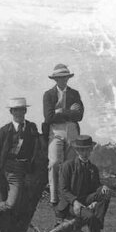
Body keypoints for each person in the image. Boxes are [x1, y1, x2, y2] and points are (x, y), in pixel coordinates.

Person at [0, 97, 41, 232]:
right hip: (8, 170)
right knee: (9, 205)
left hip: (25, 170)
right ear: (11, 112)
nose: (19, 113)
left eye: (22, 110)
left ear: (25, 111)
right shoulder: (5, 130)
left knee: (18, 208)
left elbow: (37, 146)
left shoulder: (31, 127)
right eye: (16, 110)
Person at [56, 135, 113, 232]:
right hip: (70, 204)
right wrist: (75, 202)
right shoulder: (67, 166)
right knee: (91, 218)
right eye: (82, 150)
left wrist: (102, 187)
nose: (85, 153)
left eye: (87, 150)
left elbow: (95, 187)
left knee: (105, 193)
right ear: (77, 151)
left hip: (86, 200)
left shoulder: (93, 168)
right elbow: (63, 190)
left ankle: (93, 231)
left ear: (91, 150)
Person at [42, 63, 84, 206]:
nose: (63, 80)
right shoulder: (48, 94)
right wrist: (69, 112)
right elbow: (49, 117)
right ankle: (54, 197)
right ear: (55, 79)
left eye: (65, 77)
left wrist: (60, 112)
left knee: (71, 164)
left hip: (72, 130)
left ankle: (70, 198)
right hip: (56, 131)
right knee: (54, 162)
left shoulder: (74, 93)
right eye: (60, 78)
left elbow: (79, 115)